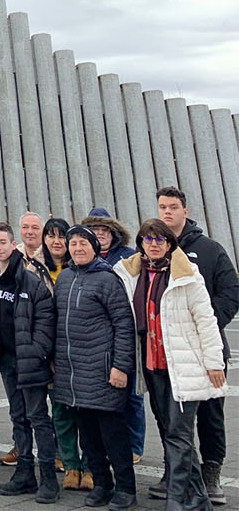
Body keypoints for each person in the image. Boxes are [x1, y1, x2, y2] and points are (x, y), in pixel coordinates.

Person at [115, 218, 225, 511]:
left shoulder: (187, 275)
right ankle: (199, 500)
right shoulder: (133, 274)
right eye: (148, 240)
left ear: (170, 244)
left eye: (159, 240)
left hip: (183, 366)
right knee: (170, 432)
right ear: (140, 243)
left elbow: (206, 320)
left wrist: (214, 363)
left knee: (178, 434)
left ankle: (176, 500)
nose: (153, 245)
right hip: (153, 367)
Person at [156, 186, 238, 506]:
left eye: (173, 207)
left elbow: (231, 290)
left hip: (207, 351)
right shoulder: (154, 248)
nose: (167, 212)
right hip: (171, 356)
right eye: (162, 206)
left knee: (210, 416)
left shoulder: (209, 250)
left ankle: (211, 473)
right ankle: (174, 470)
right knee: (171, 418)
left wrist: (207, 323)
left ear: (185, 211)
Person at [52, 225, 136, 509]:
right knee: (88, 436)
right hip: (73, 374)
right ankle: (102, 484)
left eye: (82, 243)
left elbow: (124, 325)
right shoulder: (64, 278)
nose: (77, 248)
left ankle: (126, 488)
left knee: (113, 434)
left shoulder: (107, 279)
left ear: (94, 247)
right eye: (72, 243)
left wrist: (121, 366)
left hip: (102, 371)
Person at [0, 221, 58, 502]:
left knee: (38, 417)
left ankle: (49, 477)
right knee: (17, 417)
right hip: (7, 361)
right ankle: (25, 472)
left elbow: (46, 318)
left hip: (30, 361)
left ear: (14, 245)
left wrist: (37, 351)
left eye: (3, 242)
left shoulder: (30, 279)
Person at [83, 207, 146, 463]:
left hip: (126, 333)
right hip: (97, 339)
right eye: (95, 231)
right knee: (103, 397)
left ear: (113, 232)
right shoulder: (81, 257)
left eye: (104, 230)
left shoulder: (129, 257)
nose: (100, 234)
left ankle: (134, 445)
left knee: (132, 396)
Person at [41, 217, 91, 492]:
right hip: (53, 351)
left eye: (63, 237)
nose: (57, 241)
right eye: (51, 236)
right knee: (60, 411)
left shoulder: (78, 270)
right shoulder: (36, 269)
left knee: (85, 413)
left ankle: (90, 464)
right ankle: (71, 464)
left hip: (81, 352)